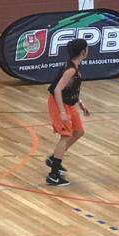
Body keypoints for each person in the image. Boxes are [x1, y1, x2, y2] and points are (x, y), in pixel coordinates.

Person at [45, 38, 90, 186]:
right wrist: (62, 112)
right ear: (83, 52)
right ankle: (53, 175)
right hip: (58, 104)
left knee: (79, 131)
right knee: (65, 136)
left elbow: (71, 89)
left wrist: (80, 104)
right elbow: (57, 90)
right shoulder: (70, 70)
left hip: (68, 103)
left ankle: (54, 158)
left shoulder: (74, 66)